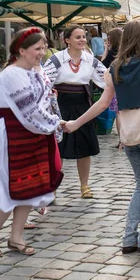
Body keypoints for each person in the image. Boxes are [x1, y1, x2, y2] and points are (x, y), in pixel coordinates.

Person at [63, 20, 140, 255]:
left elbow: (103, 103)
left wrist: (76, 123)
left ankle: (129, 239)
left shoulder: (115, 67)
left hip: (128, 137)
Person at [0, 27, 63, 258]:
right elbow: (29, 111)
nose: (42, 52)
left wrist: (52, 121)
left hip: (34, 134)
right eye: (38, 48)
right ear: (22, 50)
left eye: (44, 47)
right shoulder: (10, 74)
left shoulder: (37, 70)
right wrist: (56, 123)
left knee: (30, 186)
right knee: (7, 187)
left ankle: (16, 237)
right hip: (11, 133)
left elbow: (44, 103)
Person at [43, 24, 107, 199]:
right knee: (58, 146)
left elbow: (106, 78)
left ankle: (84, 185)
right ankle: (52, 187)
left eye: (84, 37)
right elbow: (44, 80)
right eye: (78, 37)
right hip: (60, 105)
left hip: (82, 105)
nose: (82, 40)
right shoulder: (57, 59)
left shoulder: (90, 60)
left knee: (84, 146)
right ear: (67, 40)